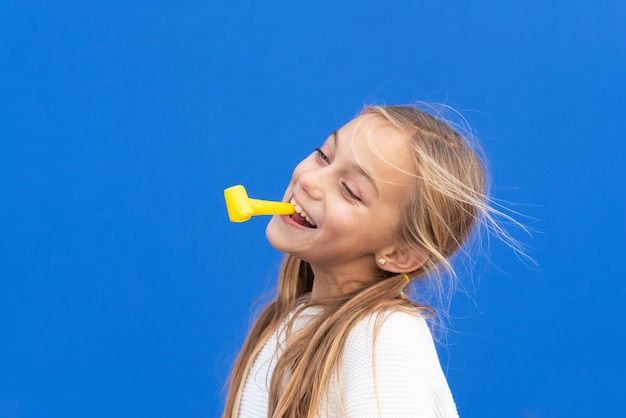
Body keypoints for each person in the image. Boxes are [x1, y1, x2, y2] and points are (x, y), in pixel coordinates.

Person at [223, 104, 507, 417]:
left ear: (400, 254)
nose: (309, 181)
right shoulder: (289, 321)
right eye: (324, 155)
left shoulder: (384, 339)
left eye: (349, 190)